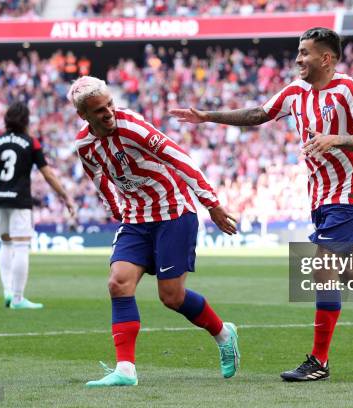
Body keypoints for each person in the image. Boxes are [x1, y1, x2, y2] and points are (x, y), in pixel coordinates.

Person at [170, 27, 353, 382]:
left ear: (326, 58)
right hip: (320, 197)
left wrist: (336, 139)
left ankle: (319, 361)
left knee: (323, 267)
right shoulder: (294, 93)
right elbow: (259, 114)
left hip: (350, 194)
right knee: (350, 272)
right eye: (298, 52)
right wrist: (208, 116)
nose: (298, 59)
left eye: (305, 52)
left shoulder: (349, 89)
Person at [67, 76, 240, 387]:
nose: (109, 113)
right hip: (136, 218)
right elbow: (97, 177)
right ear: (84, 116)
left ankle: (223, 333)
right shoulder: (85, 145)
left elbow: (179, 157)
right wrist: (116, 209)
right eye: (100, 110)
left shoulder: (132, 125)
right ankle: (126, 370)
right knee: (118, 283)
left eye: (110, 104)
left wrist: (211, 203)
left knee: (171, 297)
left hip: (174, 212)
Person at [0, 101, 76, 310]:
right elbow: (47, 174)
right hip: (20, 200)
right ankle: (17, 298)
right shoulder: (31, 143)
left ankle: (7, 290)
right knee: (21, 246)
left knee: (5, 244)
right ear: (26, 120)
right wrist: (65, 196)